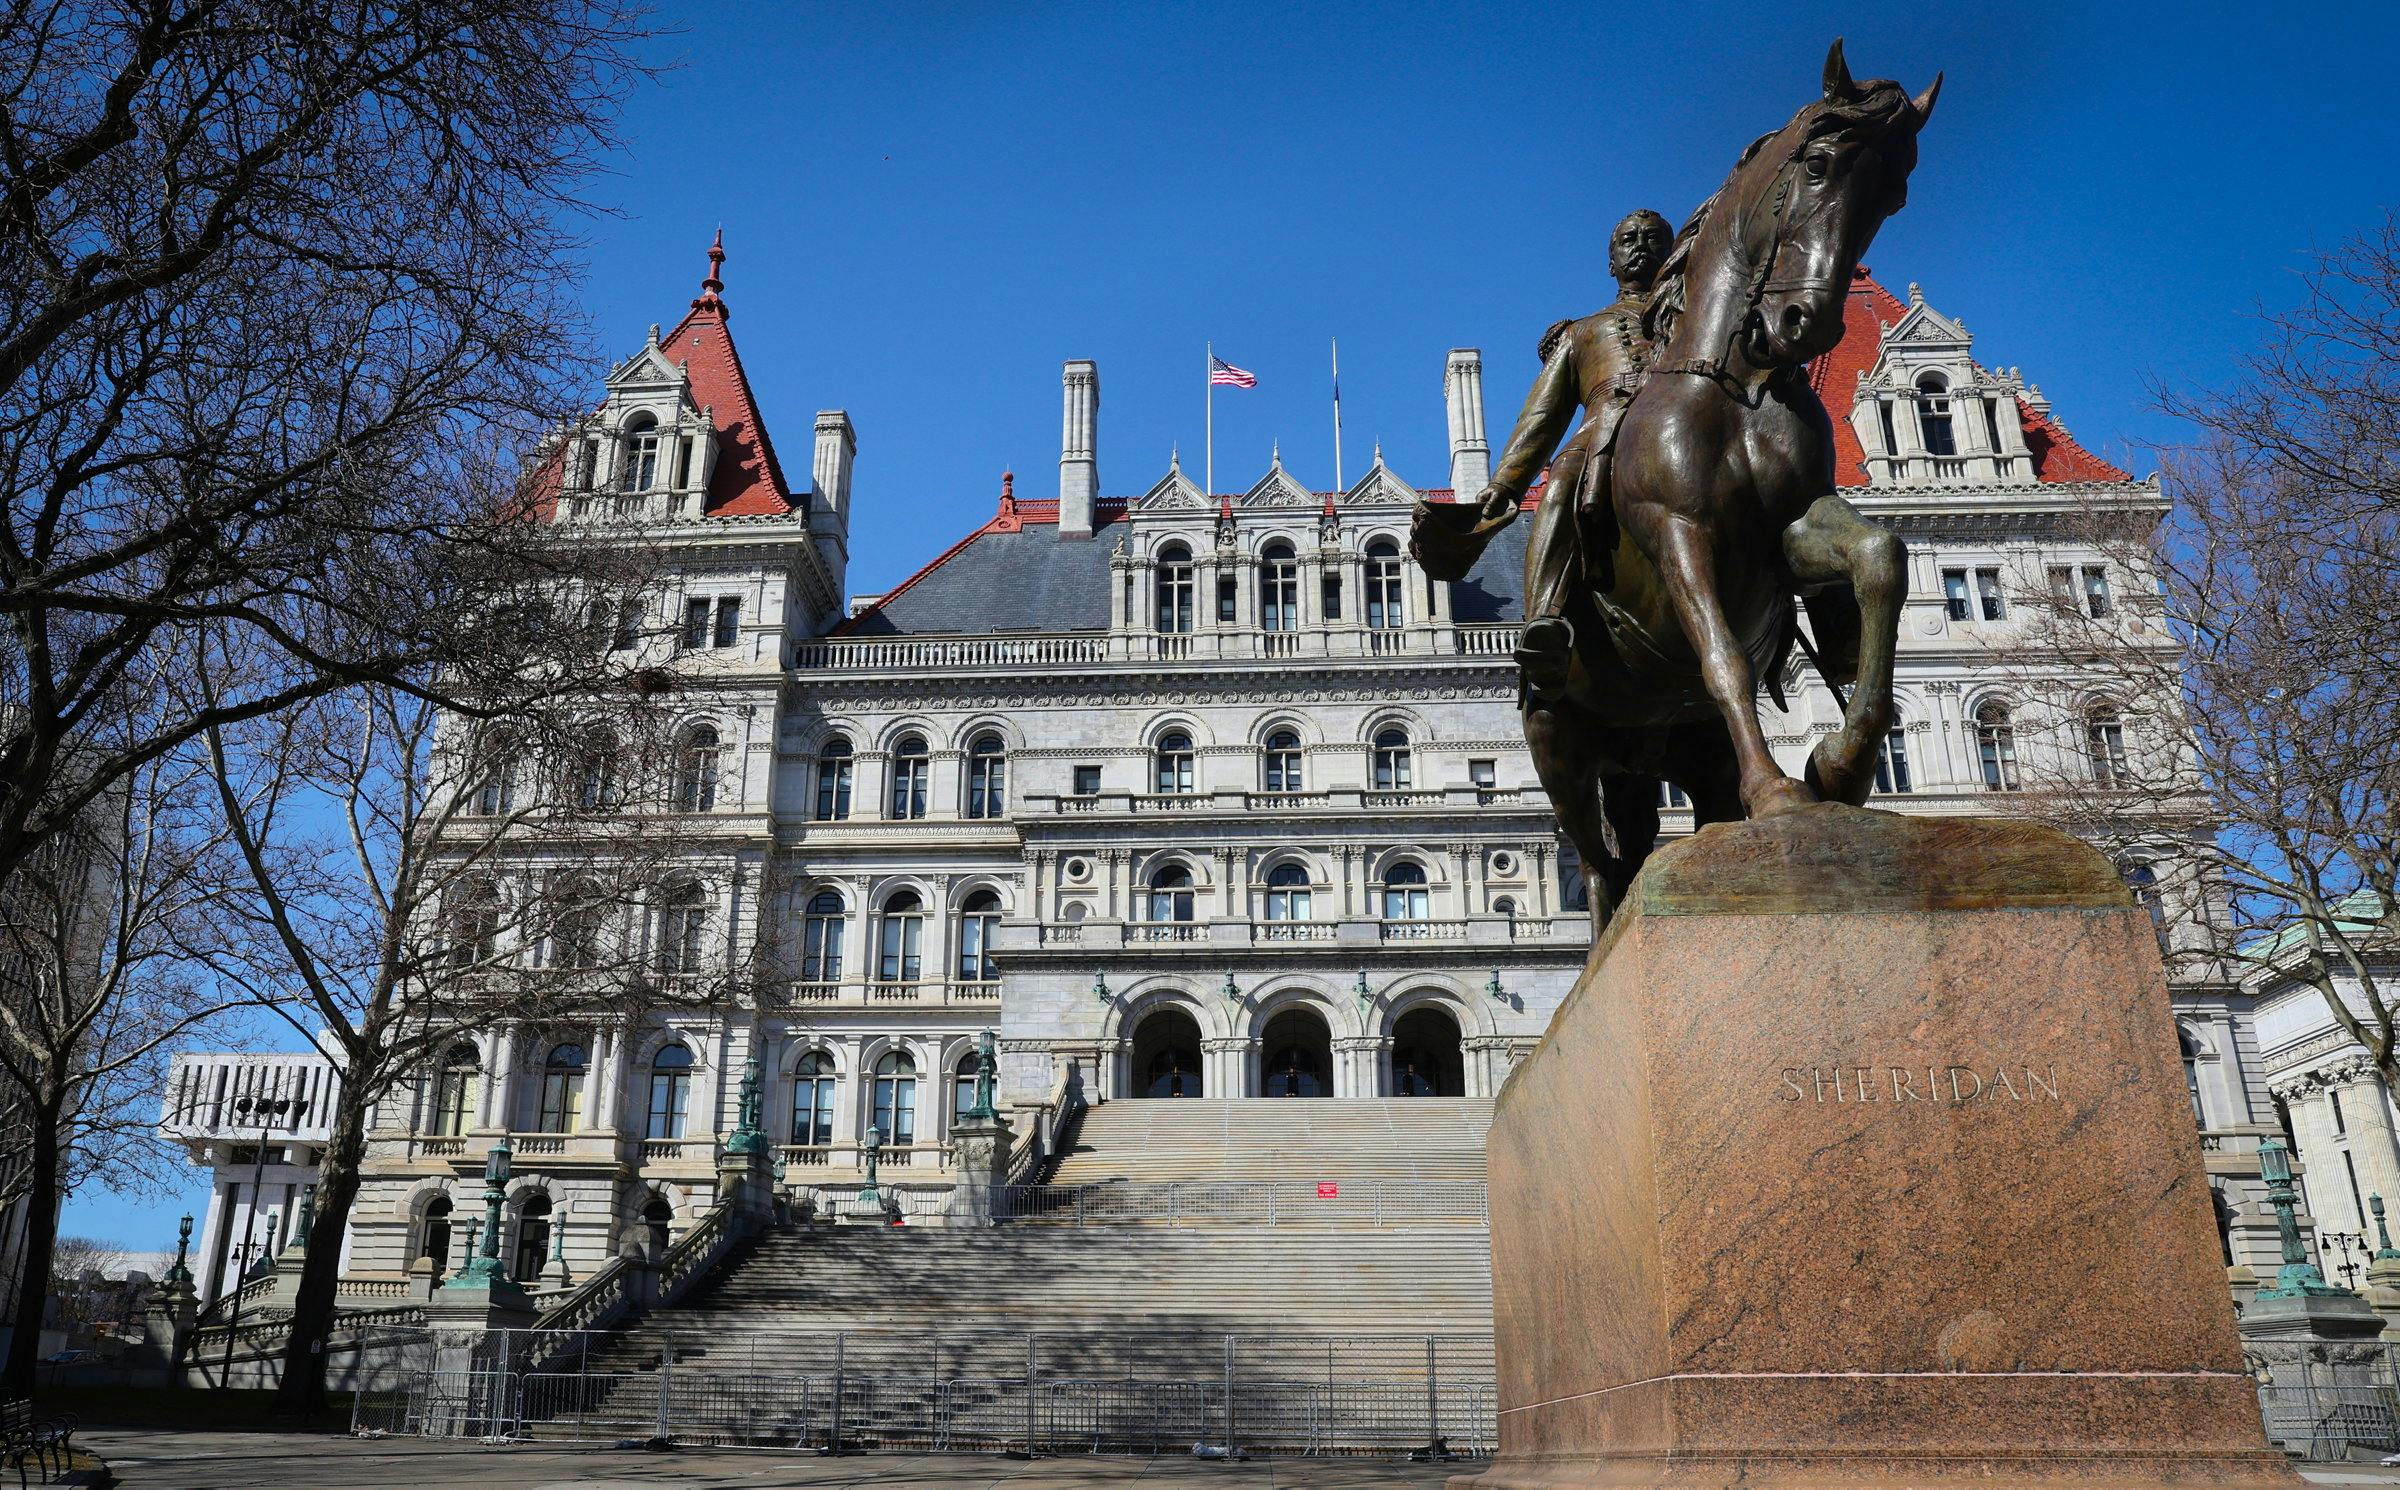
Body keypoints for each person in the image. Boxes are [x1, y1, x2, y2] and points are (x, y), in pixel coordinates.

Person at [1414, 209, 1672, 700]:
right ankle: (1545, 618)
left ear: (1673, 250)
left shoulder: (1700, 319)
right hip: (1607, 432)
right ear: (1611, 262)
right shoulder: (1584, 332)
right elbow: (1542, 418)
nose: (1640, 246)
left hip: (1688, 423)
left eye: (1652, 238)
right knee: (1562, 483)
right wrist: (1505, 484)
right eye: (1628, 239)